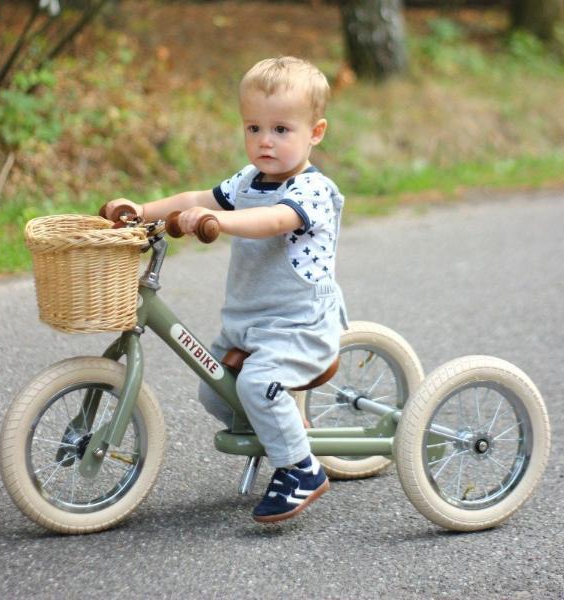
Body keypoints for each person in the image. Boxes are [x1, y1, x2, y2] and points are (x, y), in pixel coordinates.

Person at [105, 56, 347, 523]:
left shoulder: (312, 190)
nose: (264, 141)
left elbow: (272, 220)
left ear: (315, 132)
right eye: (253, 128)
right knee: (216, 392)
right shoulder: (248, 180)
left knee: (256, 385)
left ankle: (301, 469)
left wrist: (219, 222)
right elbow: (197, 199)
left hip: (298, 326)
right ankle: (286, 427)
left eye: (281, 129)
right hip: (250, 322)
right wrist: (143, 208)